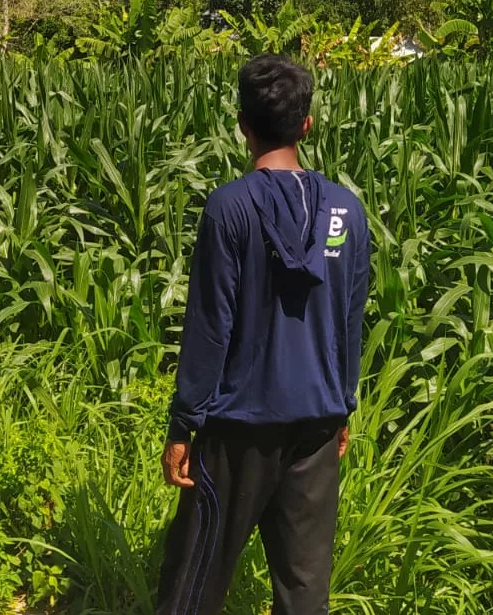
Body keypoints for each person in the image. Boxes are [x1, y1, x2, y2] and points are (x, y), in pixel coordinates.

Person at [156, 53, 371, 615]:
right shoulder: (346, 211)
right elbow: (350, 321)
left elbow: (210, 328)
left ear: (242, 124)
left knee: (194, 581)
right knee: (304, 591)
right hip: (317, 425)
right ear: (307, 124)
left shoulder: (228, 208)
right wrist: (343, 405)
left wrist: (184, 424)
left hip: (238, 426)